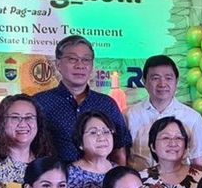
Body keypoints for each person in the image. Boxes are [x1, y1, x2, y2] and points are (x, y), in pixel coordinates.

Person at [34, 34, 130, 165]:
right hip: (54, 181)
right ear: (58, 64)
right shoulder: (40, 103)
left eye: (86, 60)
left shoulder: (107, 104)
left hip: (100, 182)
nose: (80, 65)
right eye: (73, 59)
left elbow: (119, 149)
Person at [125, 54, 202, 170]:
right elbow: (121, 156)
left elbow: (198, 163)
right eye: (155, 78)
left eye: (168, 78)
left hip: (180, 185)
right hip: (138, 185)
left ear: (176, 82)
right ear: (144, 81)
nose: (162, 84)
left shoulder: (193, 118)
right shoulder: (129, 115)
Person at [59, 111, 116, 188]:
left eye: (106, 131)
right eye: (93, 132)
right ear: (80, 143)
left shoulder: (119, 172)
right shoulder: (68, 175)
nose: (102, 137)